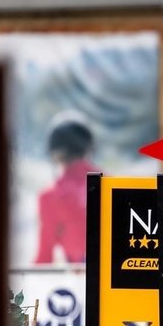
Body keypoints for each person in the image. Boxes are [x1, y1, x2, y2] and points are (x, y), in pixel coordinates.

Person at [33, 112, 97, 265]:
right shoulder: (112, 185)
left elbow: (44, 258)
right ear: (89, 147)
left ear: (55, 154)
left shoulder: (50, 196)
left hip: (81, 282)